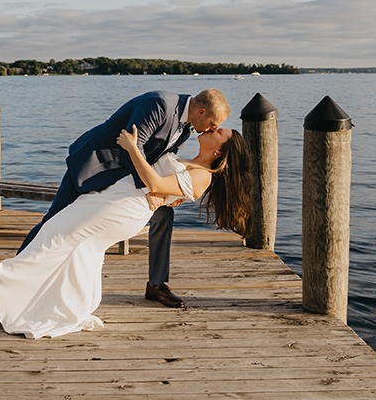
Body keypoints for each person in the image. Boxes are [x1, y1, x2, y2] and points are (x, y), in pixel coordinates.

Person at [0, 122, 252, 339]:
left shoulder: (203, 177)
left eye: (220, 132)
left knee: (56, 234)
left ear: (222, 152)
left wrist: (133, 148)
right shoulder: (186, 159)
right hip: (112, 199)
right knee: (81, 253)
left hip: (123, 209)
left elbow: (156, 184)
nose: (214, 128)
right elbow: (162, 186)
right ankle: (75, 308)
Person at [18, 89, 229, 308]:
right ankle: (16, 274)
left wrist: (175, 192)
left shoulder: (186, 126)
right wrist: (152, 189)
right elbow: (131, 144)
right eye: (214, 123)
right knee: (53, 221)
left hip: (126, 180)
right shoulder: (160, 104)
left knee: (164, 214)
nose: (213, 128)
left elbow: (163, 158)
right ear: (202, 112)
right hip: (96, 164)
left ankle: (156, 284)